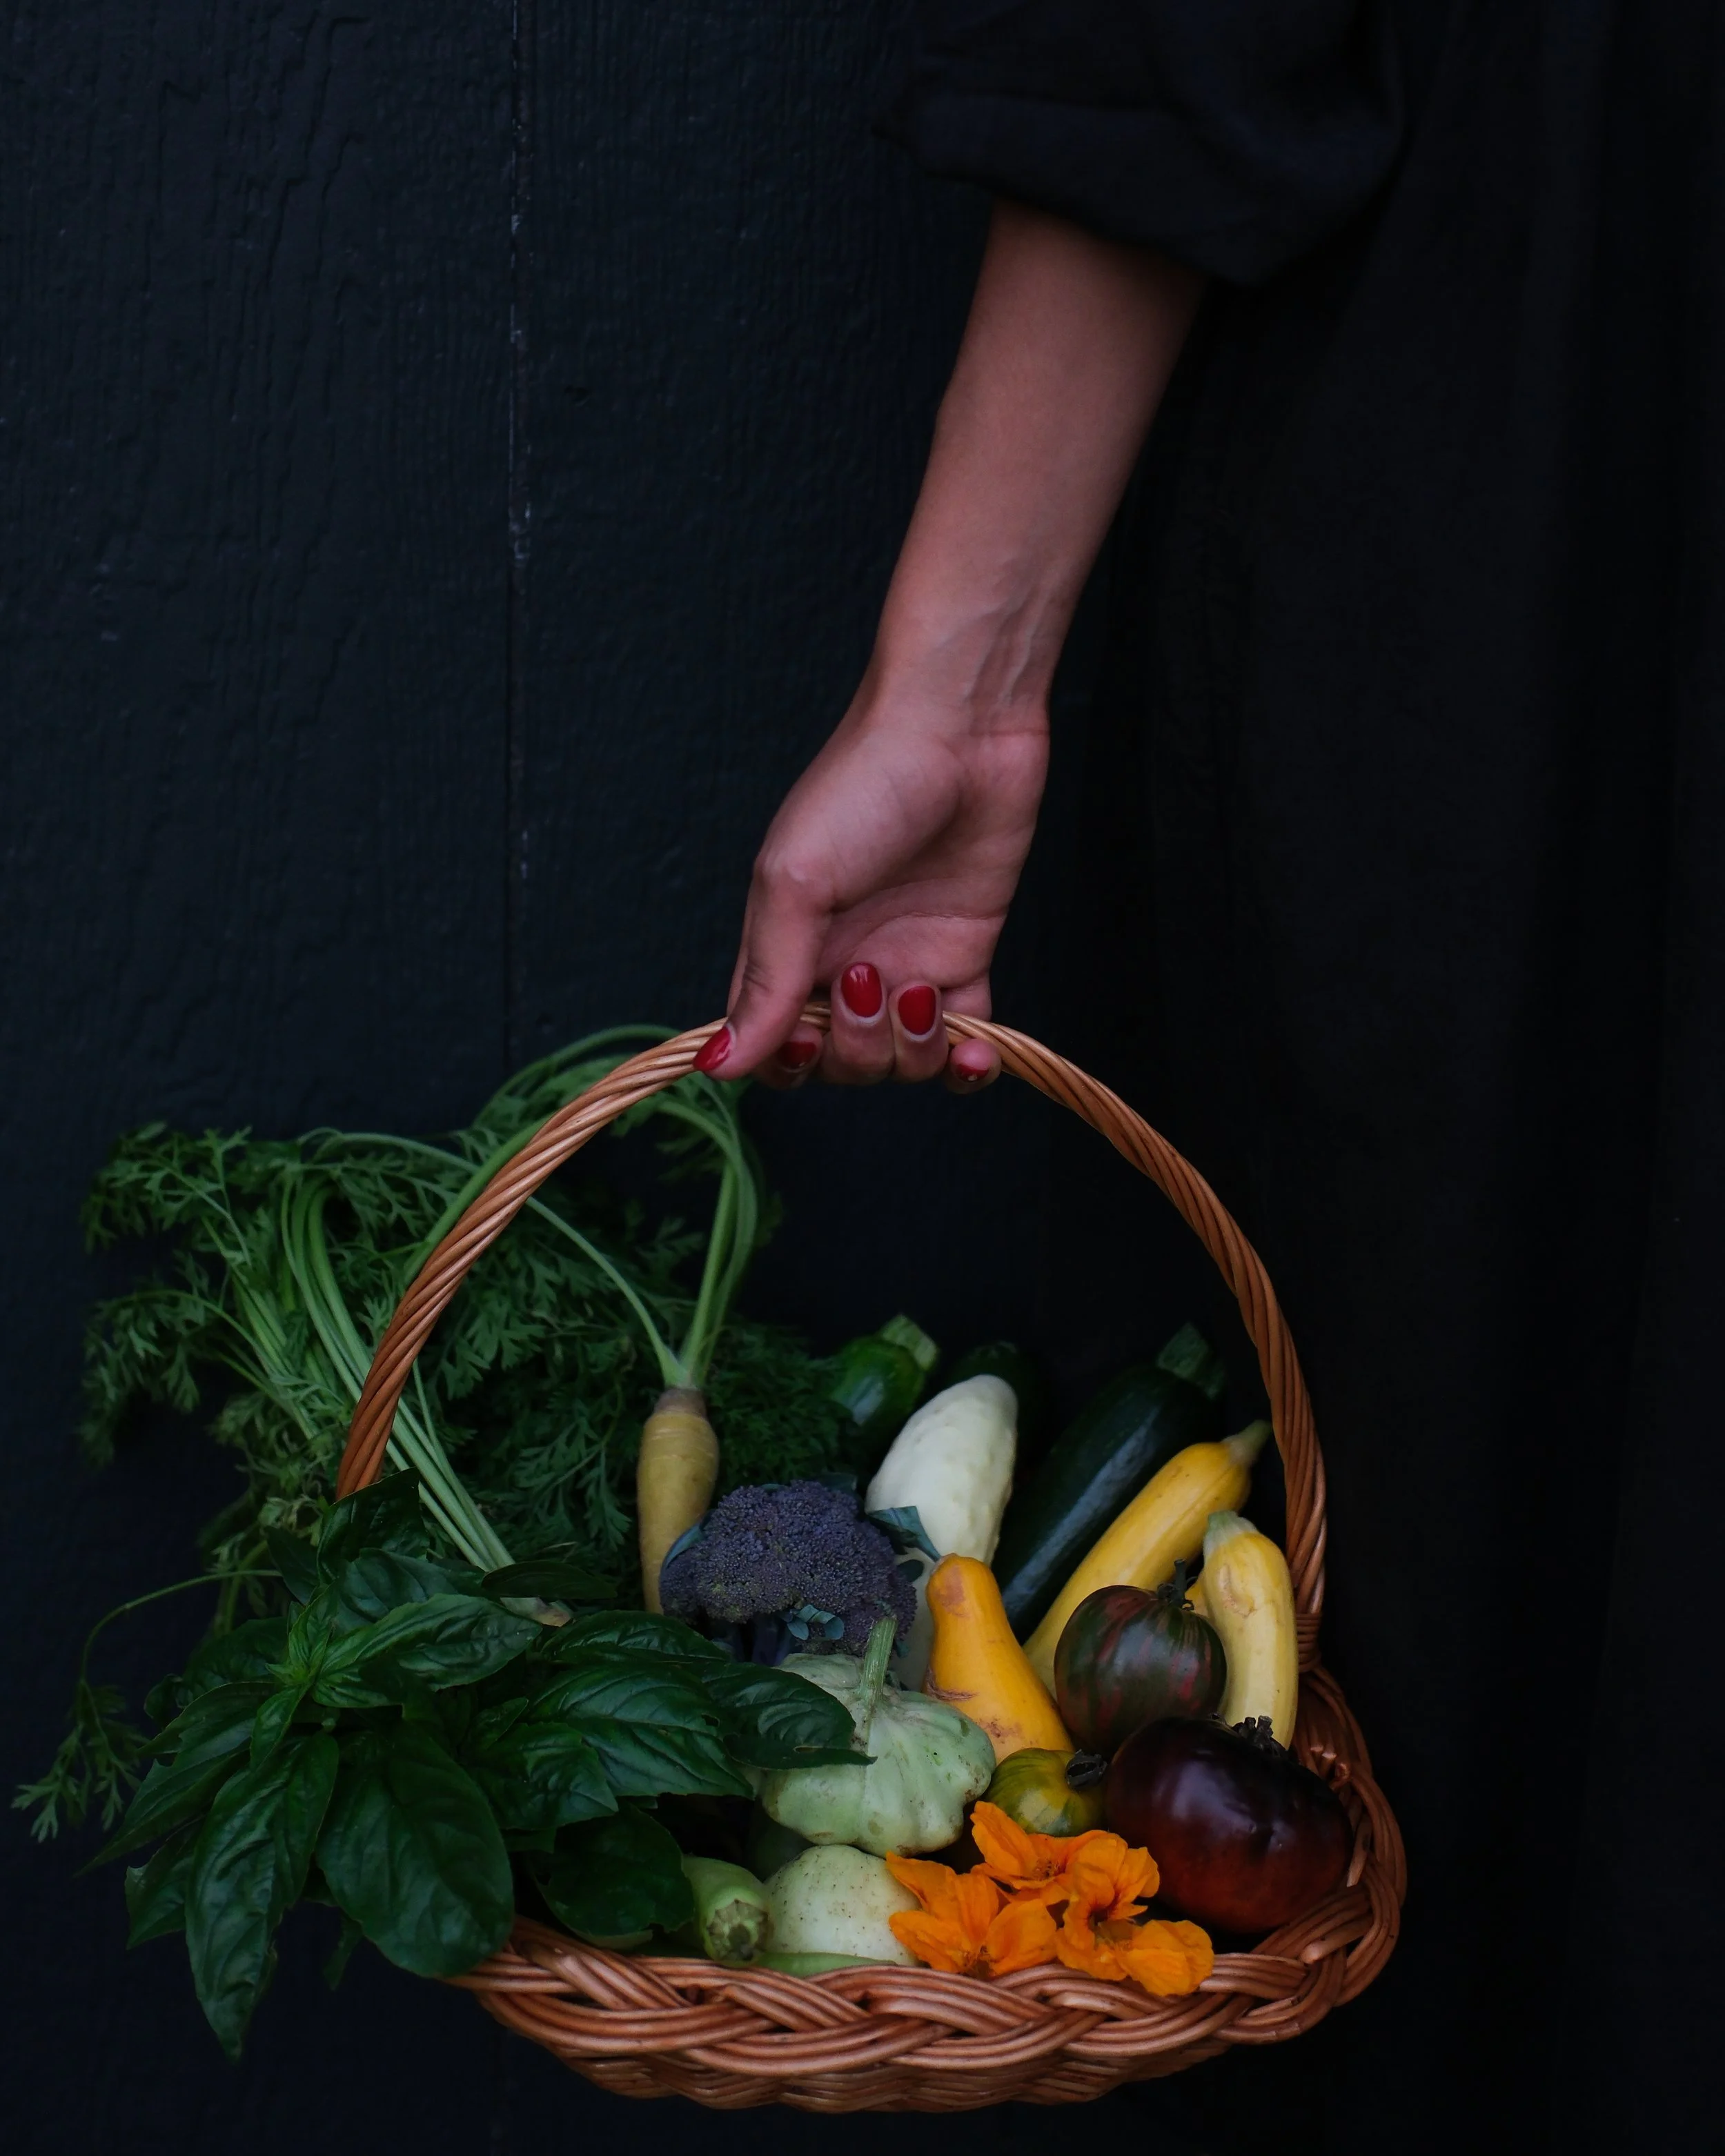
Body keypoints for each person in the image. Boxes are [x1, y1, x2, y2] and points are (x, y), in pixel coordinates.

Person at [695, 6, 1721, 2152]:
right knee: (1449, 1671)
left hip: (1513, 427)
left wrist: (963, 688)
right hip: (1528, 482)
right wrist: (965, 695)